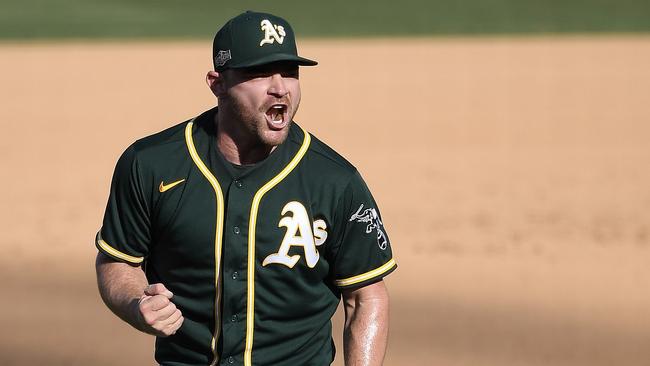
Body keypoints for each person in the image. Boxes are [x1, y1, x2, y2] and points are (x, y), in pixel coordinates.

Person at [95, 10, 396, 366]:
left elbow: (366, 297)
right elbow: (117, 260)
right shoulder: (151, 164)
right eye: (259, 72)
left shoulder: (335, 180)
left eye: (290, 72)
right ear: (217, 83)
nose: (280, 86)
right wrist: (136, 302)